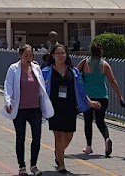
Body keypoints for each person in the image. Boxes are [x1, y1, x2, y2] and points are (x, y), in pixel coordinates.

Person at [42, 45, 100, 174]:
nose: (60, 55)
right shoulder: (46, 72)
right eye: (57, 53)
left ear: (66, 55)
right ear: (53, 55)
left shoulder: (74, 72)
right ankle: (61, 163)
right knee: (59, 135)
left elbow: (81, 90)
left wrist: (89, 102)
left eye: (63, 53)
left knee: (68, 136)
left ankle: (58, 152)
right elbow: (40, 90)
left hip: (70, 107)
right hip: (54, 107)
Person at [2, 44, 52, 176]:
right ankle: (22, 166)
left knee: (37, 137)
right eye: (26, 56)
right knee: (21, 137)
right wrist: (8, 101)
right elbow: (8, 85)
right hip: (20, 109)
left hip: (35, 108)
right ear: (20, 56)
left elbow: (42, 86)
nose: (29, 58)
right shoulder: (13, 68)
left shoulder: (36, 68)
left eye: (31, 55)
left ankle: (34, 165)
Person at [76, 44, 123, 157]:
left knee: (88, 121)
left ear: (91, 51)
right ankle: (107, 138)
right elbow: (112, 81)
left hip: (88, 97)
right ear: (101, 52)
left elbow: (75, 74)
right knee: (100, 121)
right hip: (102, 96)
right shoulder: (105, 65)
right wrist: (119, 96)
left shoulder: (85, 62)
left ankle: (88, 147)